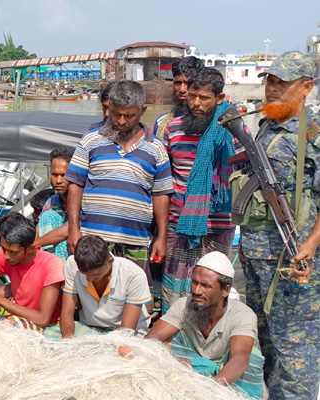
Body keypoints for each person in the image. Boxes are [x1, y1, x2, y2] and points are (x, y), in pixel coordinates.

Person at [237, 51, 320, 400]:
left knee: (294, 349)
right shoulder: (268, 123)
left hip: (292, 260)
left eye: (282, 84)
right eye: (270, 81)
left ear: (306, 88)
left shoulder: (313, 135)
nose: (272, 90)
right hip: (256, 254)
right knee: (266, 342)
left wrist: (312, 244)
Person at [65, 80, 172, 288]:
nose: (121, 121)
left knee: (134, 296)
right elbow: (75, 185)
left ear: (143, 111)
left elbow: (161, 195)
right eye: (116, 114)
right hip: (93, 240)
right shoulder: (90, 140)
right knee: (91, 293)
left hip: (135, 241)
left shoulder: (156, 148)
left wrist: (161, 237)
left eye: (129, 116)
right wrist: (73, 229)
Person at [161, 68, 242, 312]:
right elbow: (163, 181)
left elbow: (243, 176)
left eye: (204, 98)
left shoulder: (236, 132)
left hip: (219, 225)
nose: (196, 103)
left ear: (220, 98)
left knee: (212, 291)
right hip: (180, 224)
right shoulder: (173, 129)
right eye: (192, 96)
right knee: (175, 293)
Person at [147, 252, 264, 399]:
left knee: (251, 356)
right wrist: (172, 361)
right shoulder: (183, 305)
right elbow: (150, 340)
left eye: (206, 286)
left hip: (228, 379)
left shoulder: (243, 315)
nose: (196, 291)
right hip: (192, 370)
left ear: (225, 290)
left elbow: (240, 359)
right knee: (164, 344)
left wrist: (210, 391)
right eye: (195, 282)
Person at [45, 235, 151, 339]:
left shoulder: (134, 275)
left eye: (95, 275)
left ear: (110, 260)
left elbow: (126, 332)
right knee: (50, 336)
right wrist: (69, 338)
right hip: (90, 328)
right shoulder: (72, 264)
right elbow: (67, 311)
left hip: (126, 332)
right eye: (84, 274)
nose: (89, 280)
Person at [34, 148, 72, 263]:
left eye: (63, 175)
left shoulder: (84, 200)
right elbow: (38, 230)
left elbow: (67, 230)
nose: (58, 180)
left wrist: (34, 245)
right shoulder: (52, 201)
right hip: (55, 256)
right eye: (54, 175)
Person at [153, 56, 203, 139]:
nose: (182, 90)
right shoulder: (162, 123)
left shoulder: (214, 123)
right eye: (178, 83)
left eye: (187, 83)